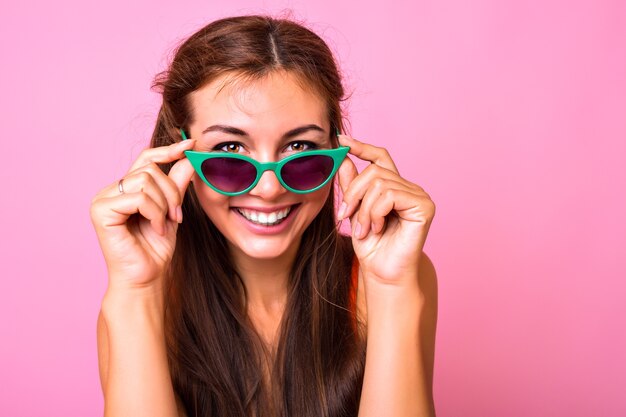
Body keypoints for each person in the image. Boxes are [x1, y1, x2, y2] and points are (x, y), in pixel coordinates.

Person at [90, 14, 438, 417]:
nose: (270, 188)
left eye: (300, 148)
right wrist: (136, 291)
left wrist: (392, 288)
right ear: (178, 154)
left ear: (338, 150)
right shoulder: (140, 300)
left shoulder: (391, 277)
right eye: (230, 151)